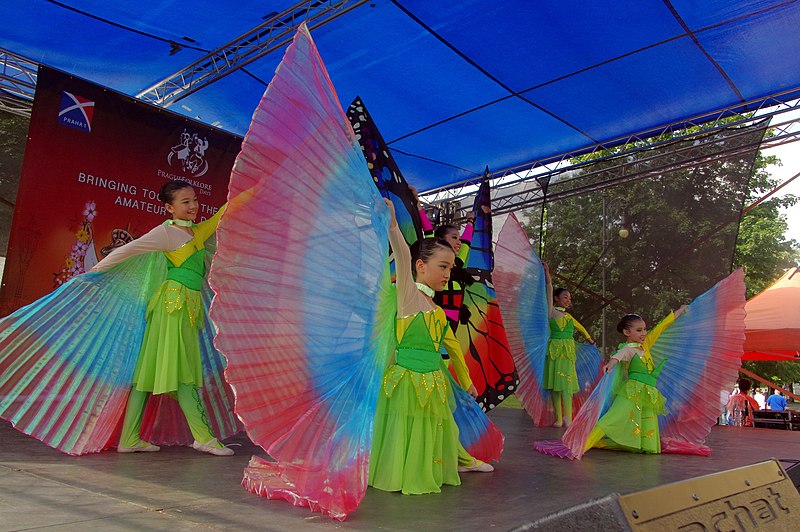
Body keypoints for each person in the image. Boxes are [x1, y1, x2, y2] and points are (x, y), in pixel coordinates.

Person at [90, 180, 233, 456]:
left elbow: (222, 215)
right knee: (182, 374)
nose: (192, 206)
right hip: (173, 307)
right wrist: (94, 271)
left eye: (194, 200)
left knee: (148, 373)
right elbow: (128, 250)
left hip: (184, 308)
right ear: (169, 208)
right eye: (184, 202)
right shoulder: (165, 234)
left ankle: (129, 439)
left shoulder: (196, 232)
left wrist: (252, 184)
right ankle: (203, 436)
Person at [369, 199, 493, 495]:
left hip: (434, 381)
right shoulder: (408, 296)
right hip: (407, 381)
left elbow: (451, 347)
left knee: (444, 427)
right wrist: (394, 227)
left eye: (450, 267)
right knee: (406, 429)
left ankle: (460, 460)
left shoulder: (437, 311)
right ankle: (405, 472)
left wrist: (466, 382)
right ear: (421, 267)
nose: (448, 273)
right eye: (443, 266)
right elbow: (401, 255)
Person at [583, 307, 687, 454]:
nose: (644, 333)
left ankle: (646, 446)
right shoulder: (628, 350)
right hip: (632, 391)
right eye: (639, 330)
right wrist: (609, 365)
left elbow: (661, 327)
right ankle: (584, 443)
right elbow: (617, 357)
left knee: (648, 423)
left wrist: (679, 311)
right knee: (614, 417)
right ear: (627, 333)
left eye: (644, 329)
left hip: (649, 392)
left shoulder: (645, 346)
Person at [543, 263, 594, 427]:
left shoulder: (569, 316)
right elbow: (549, 289)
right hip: (555, 351)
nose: (568, 301)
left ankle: (568, 417)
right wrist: (547, 275)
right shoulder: (551, 312)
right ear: (557, 298)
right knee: (555, 386)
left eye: (569, 299)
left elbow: (581, 328)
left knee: (566, 385)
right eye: (565, 297)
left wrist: (590, 339)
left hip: (568, 352)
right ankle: (558, 418)